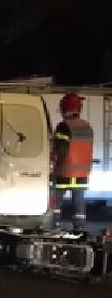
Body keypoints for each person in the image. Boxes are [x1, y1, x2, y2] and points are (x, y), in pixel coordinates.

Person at [52, 93, 94, 231]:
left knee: (56, 202)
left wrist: (52, 158)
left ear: (64, 109)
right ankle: (79, 229)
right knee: (79, 203)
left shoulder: (63, 126)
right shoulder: (86, 126)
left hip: (64, 172)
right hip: (82, 174)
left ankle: (53, 226)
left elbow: (61, 149)